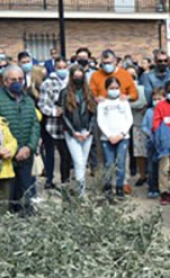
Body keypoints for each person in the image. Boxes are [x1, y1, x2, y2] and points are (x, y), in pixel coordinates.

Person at [0, 65, 40, 214]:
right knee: (9, 194)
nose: (18, 82)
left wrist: (29, 147)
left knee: (26, 192)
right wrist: (15, 149)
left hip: (26, 154)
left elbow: (34, 125)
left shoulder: (28, 100)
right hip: (8, 156)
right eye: (13, 79)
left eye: (20, 79)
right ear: (5, 81)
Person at [59, 66, 97, 196]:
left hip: (86, 131)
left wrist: (89, 131)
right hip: (72, 132)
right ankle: (81, 193)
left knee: (83, 162)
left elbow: (93, 113)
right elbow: (63, 114)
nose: (78, 79)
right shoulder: (64, 93)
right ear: (71, 77)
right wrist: (73, 132)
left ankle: (81, 190)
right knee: (78, 161)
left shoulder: (89, 92)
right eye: (76, 77)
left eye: (80, 76)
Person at [97, 76, 133, 199]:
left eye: (117, 88)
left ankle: (119, 188)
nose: (114, 90)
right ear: (106, 89)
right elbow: (100, 121)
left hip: (122, 138)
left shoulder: (124, 102)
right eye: (111, 88)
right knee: (109, 163)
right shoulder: (103, 104)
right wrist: (109, 135)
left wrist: (121, 134)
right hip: (107, 139)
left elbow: (129, 120)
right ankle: (108, 188)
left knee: (121, 163)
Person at [38, 58, 72, 190]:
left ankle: (65, 182)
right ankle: (49, 179)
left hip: (69, 124)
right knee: (51, 152)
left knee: (66, 155)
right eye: (59, 67)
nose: (62, 69)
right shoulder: (48, 83)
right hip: (53, 124)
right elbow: (42, 104)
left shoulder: (71, 82)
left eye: (64, 67)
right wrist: (54, 111)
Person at [142, 87, 164, 199]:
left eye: (159, 98)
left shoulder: (166, 111)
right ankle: (152, 188)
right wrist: (150, 134)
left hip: (164, 144)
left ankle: (163, 188)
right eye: (155, 99)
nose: (157, 101)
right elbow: (144, 126)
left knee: (163, 166)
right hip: (151, 143)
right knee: (151, 166)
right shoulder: (149, 112)